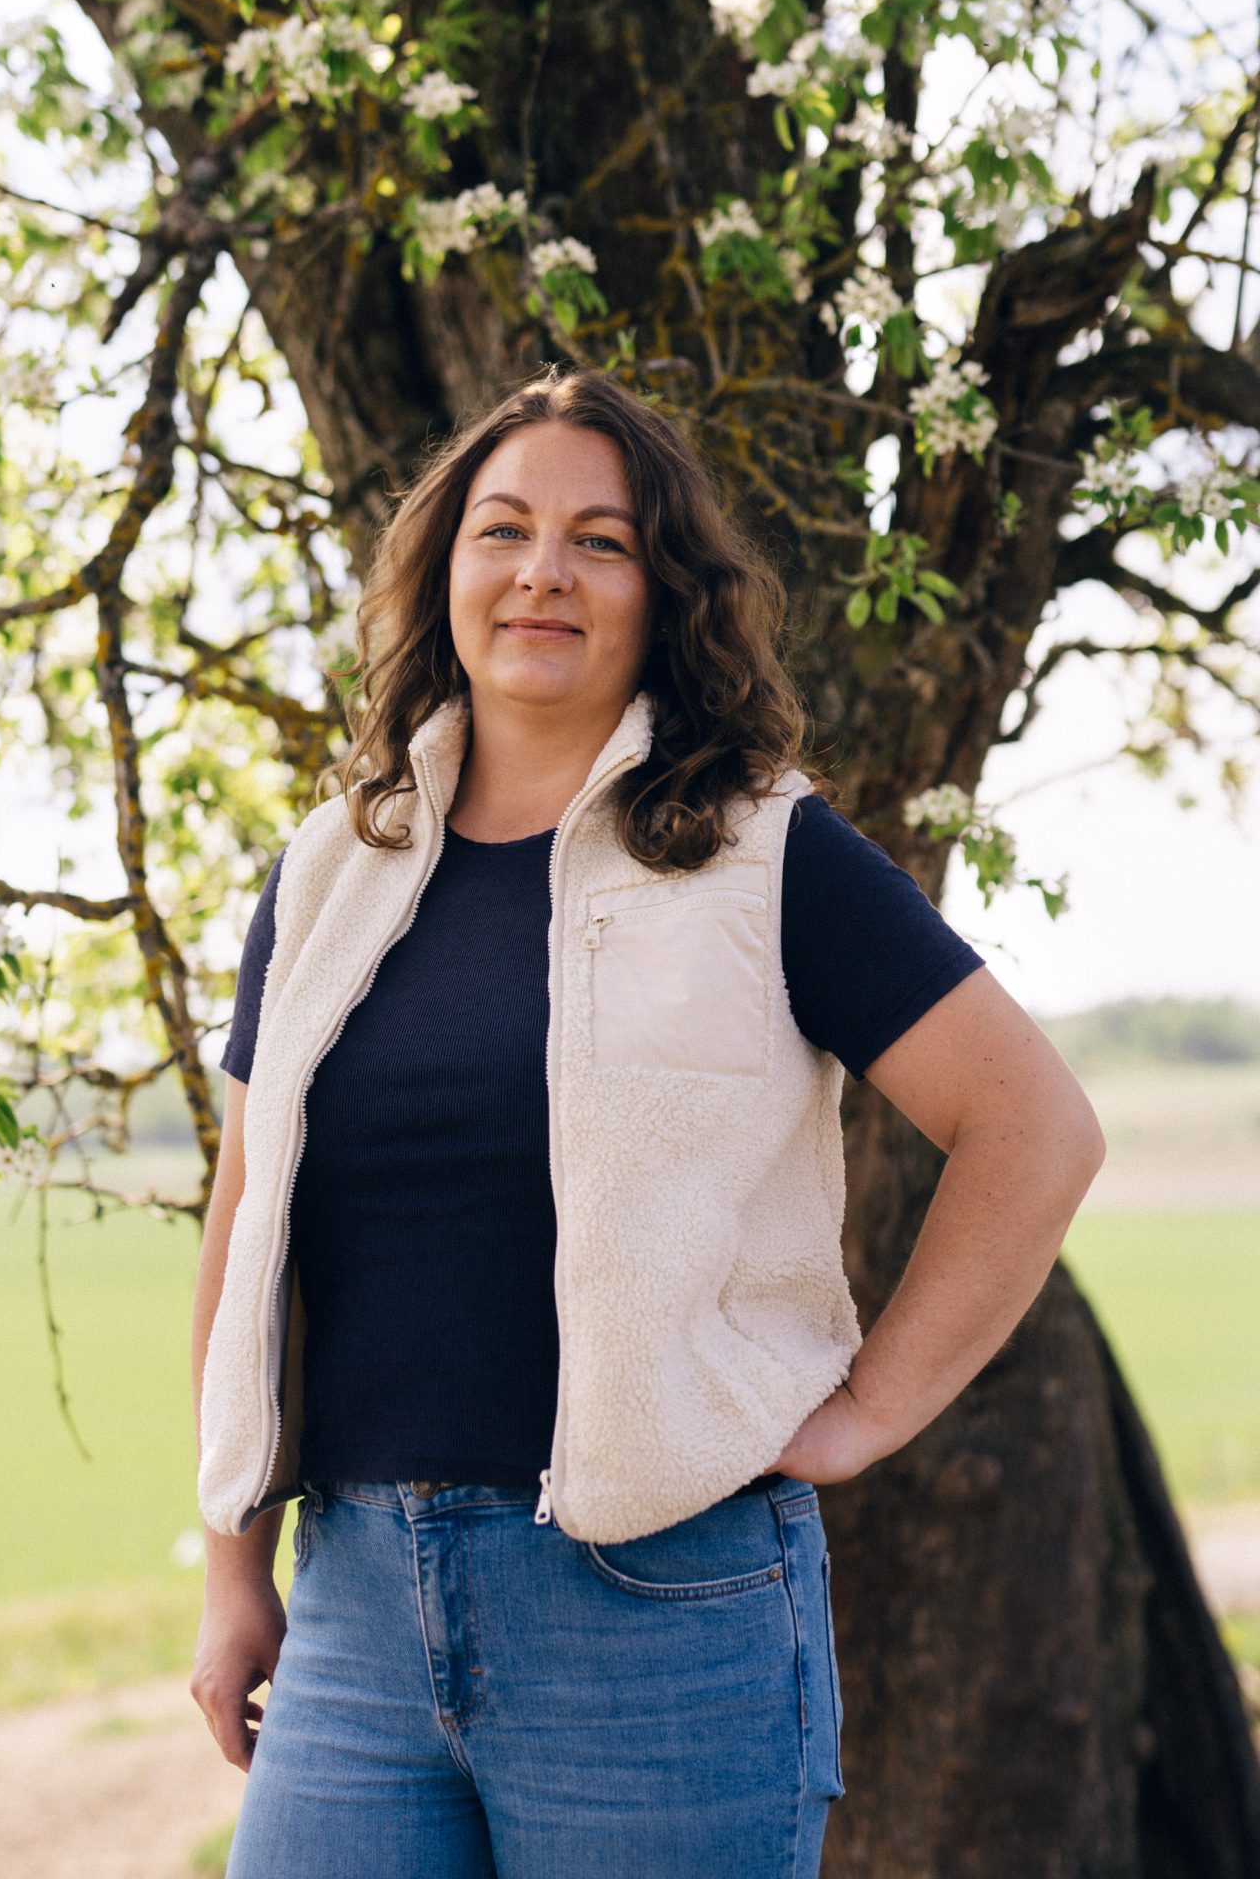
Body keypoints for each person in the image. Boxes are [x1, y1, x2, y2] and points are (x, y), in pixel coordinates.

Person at [188, 366, 1105, 1879]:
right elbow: (246, 1220)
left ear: (659, 592)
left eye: (600, 541)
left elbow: (1036, 1130)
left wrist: (864, 1412)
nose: (544, 570)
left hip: (661, 1616)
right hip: (350, 1603)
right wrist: (235, 1567)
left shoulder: (764, 853)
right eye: (505, 529)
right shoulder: (326, 872)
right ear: (445, 571)